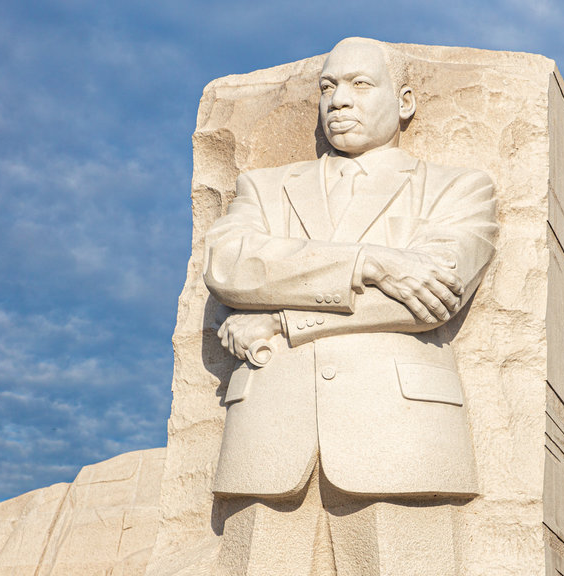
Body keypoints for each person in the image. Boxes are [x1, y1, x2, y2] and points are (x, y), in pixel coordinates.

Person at [202, 37, 498, 576]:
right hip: (269, 435)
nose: (339, 100)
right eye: (328, 87)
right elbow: (230, 265)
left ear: (404, 101)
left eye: (361, 84)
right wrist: (369, 262)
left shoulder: (457, 188)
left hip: (400, 434)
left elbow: (433, 299)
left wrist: (283, 320)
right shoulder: (266, 188)